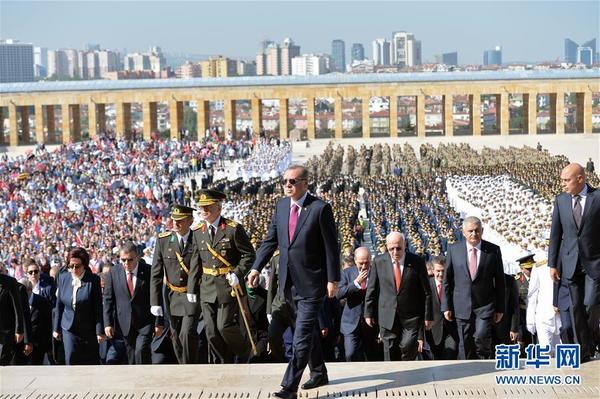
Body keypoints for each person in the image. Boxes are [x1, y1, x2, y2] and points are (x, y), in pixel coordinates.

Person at [247, 164, 340, 399]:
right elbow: (270, 241)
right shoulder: (280, 206)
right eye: (285, 181)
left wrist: (333, 279)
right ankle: (318, 372)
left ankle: (289, 388)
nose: (287, 185)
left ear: (305, 183)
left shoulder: (319, 208)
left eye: (292, 181)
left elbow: (332, 248)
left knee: (301, 337)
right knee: (306, 333)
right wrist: (256, 267)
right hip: (288, 284)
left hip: (312, 285)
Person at [187, 189, 256, 363]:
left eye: (207, 208)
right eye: (201, 208)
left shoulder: (233, 229)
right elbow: (196, 261)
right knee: (210, 331)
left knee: (224, 326)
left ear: (218, 208)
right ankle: (223, 362)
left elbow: (249, 255)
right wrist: (191, 288)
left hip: (227, 286)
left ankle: (244, 352)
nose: (203, 211)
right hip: (207, 286)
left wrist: (237, 274)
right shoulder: (198, 232)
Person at [548, 163, 600, 362]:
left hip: (594, 263)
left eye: (566, 180)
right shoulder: (561, 201)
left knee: (590, 305)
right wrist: (552, 264)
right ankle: (585, 350)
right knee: (576, 307)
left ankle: (591, 339)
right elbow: (555, 234)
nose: (563, 184)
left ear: (580, 179)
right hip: (570, 263)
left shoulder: (597, 198)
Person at [442, 216, 505, 359]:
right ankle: (467, 370)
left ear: (482, 231)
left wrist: (500, 308)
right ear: (464, 232)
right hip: (461, 305)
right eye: (470, 231)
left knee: (482, 337)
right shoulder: (454, 250)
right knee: (464, 342)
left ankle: (483, 365)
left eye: (477, 230)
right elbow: (447, 280)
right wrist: (446, 306)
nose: (474, 234)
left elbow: (500, 282)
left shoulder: (493, 250)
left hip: (485, 305)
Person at [364, 232, 433, 361]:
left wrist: (428, 316)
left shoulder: (416, 262)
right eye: (391, 249)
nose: (395, 252)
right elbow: (372, 289)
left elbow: (426, 292)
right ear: (387, 246)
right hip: (387, 314)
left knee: (408, 347)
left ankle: (408, 375)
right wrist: (368, 313)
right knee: (389, 351)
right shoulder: (379, 262)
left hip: (411, 316)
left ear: (405, 244)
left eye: (399, 248)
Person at [150, 204, 201, 364]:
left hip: (191, 294)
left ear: (190, 221)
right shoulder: (164, 241)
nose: (176, 224)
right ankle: (183, 366)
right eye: (174, 220)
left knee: (187, 333)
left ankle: (189, 367)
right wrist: (155, 302)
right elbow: (156, 274)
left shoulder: (198, 239)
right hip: (171, 296)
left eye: (180, 220)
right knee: (176, 336)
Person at [103, 241, 162, 364]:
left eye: (129, 260)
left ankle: (143, 379)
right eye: (123, 260)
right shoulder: (114, 272)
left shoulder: (148, 271)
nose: (126, 263)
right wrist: (108, 323)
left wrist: (158, 323)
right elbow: (108, 299)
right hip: (124, 323)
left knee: (141, 351)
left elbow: (157, 298)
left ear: (137, 257)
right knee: (131, 356)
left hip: (145, 322)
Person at [53, 247, 105, 365]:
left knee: (89, 362)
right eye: (71, 266)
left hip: (88, 329)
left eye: (77, 266)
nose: (74, 269)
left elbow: (97, 307)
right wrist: (56, 328)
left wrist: (99, 331)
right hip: (68, 328)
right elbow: (59, 305)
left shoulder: (93, 280)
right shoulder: (63, 278)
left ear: (85, 265)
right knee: (71, 358)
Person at [337, 247, 380, 361]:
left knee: (373, 356)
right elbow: (339, 293)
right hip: (351, 322)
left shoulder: (377, 273)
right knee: (350, 354)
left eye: (367, 262)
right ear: (355, 261)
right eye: (361, 263)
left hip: (371, 322)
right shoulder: (347, 273)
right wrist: (356, 283)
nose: (364, 266)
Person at [526, 256, 562, 356]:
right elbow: (532, 295)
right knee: (545, 350)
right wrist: (530, 320)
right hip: (544, 315)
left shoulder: (567, 262)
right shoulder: (539, 267)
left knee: (564, 353)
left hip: (562, 316)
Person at [426, 256, 459, 360]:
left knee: (450, 355)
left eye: (443, 271)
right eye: (438, 271)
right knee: (436, 360)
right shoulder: (426, 284)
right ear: (432, 270)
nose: (440, 274)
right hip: (433, 330)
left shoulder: (455, 284)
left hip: (452, 329)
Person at [20, 278, 52, 365]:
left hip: (38, 346)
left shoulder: (42, 302)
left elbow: (48, 324)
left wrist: (49, 346)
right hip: (21, 346)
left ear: (29, 289)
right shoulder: (17, 302)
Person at [0, 270, 27, 365]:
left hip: (5, 333)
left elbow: (17, 308)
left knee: (3, 363)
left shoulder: (10, 282)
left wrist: (19, 330)